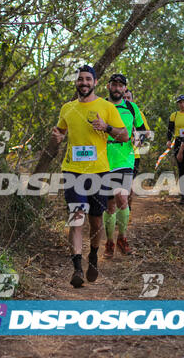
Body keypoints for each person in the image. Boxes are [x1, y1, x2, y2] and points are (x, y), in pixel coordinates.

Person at [51, 65, 128, 288]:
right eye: (80, 79)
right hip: (73, 170)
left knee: (95, 221)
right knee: (77, 217)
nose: (83, 82)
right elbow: (60, 133)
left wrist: (107, 127)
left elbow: (124, 136)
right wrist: (55, 138)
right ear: (76, 83)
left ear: (94, 83)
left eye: (87, 79)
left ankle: (93, 255)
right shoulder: (67, 108)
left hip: (100, 171)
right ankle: (77, 267)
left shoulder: (106, 107)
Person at [102, 75, 146, 258]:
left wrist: (139, 139)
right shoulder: (100, 105)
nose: (117, 88)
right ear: (108, 86)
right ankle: (110, 242)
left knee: (122, 198)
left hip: (125, 159)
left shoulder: (131, 107)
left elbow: (143, 131)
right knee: (109, 205)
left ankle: (123, 238)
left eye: (121, 85)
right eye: (114, 84)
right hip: (103, 159)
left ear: (125, 88)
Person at [125, 89, 151, 210]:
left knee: (129, 183)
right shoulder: (113, 110)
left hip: (133, 154)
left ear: (132, 100)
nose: (125, 99)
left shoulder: (137, 112)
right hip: (113, 153)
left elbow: (146, 132)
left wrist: (137, 137)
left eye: (128, 97)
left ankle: (127, 207)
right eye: (124, 97)